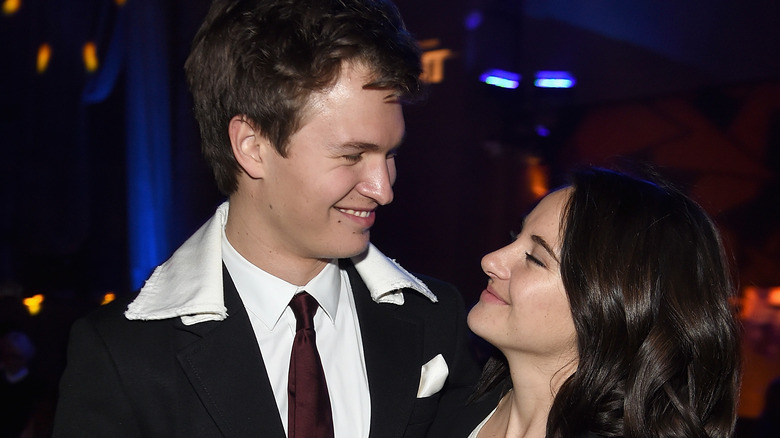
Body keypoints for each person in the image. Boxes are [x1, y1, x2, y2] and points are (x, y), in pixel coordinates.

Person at [52, 0, 478, 437]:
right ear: (252, 146)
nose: (383, 189)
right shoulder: (124, 354)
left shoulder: (435, 320)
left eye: (389, 154)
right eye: (352, 155)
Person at [431, 167, 742, 438]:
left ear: (613, 307)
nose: (491, 260)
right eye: (515, 236)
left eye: (535, 259)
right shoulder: (435, 411)